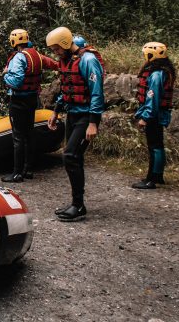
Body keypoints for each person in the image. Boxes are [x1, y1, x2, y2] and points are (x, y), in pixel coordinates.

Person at [45, 27, 105, 222]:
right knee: (74, 158)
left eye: (56, 49)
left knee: (70, 155)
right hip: (72, 114)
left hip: (86, 116)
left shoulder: (88, 60)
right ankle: (76, 204)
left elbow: (97, 92)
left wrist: (93, 123)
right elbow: (67, 88)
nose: (55, 53)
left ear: (64, 43)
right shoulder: (68, 60)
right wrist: (56, 111)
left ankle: (78, 206)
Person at [2, 29, 58, 182]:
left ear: (13, 42)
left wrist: (6, 74)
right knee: (29, 135)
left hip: (19, 102)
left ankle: (17, 173)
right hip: (32, 100)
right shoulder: (36, 55)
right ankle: (28, 170)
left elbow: (16, 81)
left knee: (18, 138)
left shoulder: (19, 57)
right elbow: (54, 64)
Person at [132, 42, 175, 189]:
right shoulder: (163, 71)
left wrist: (145, 117)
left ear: (152, 55)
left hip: (154, 115)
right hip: (158, 114)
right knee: (158, 145)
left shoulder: (157, 74)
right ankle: (158, 176)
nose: (144, 57)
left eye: (146, 54)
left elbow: (153, 98)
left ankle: (151, 179)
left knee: (154, 146)